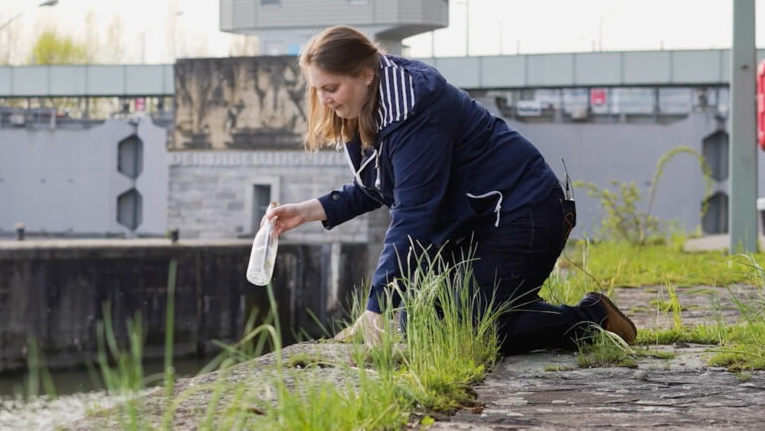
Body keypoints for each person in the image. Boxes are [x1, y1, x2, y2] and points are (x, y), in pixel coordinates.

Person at [264, 25, 636, 354]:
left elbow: (415, 211)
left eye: (331, 88)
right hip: (473, 223)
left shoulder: (416, 106)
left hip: (525, 211)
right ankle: (521, 310)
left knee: (476, 329)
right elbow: (382, 186)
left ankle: (591, 318)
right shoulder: (372, 102)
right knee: (424, 324)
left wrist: (376, 307)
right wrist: (308, 210)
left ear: (365, 74)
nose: (324, 100)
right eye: (317, 90)